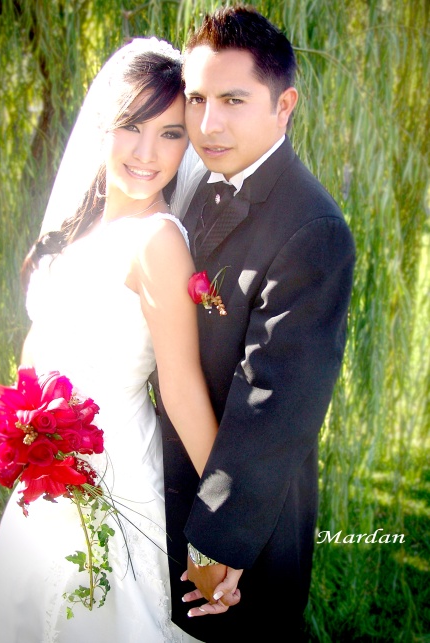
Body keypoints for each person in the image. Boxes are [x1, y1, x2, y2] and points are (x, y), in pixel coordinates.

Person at [0, 37, 218, 643]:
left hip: (113, 473)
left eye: (170, 134)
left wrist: (228, 523)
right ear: (104, 127)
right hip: (49, 476)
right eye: (133, 126)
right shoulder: (79, 236)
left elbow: (182, 389)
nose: (148, 152)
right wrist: (24, 429)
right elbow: (37, 356)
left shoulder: (157, 240)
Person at [154, 6, 356, 641]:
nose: (207, 124)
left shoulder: (313, 230)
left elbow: (276, 404)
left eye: (233, 100)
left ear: (284, 104)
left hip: (241, 533)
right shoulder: (190, 183)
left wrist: (218, 544)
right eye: (196, 98)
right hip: (154, 492)